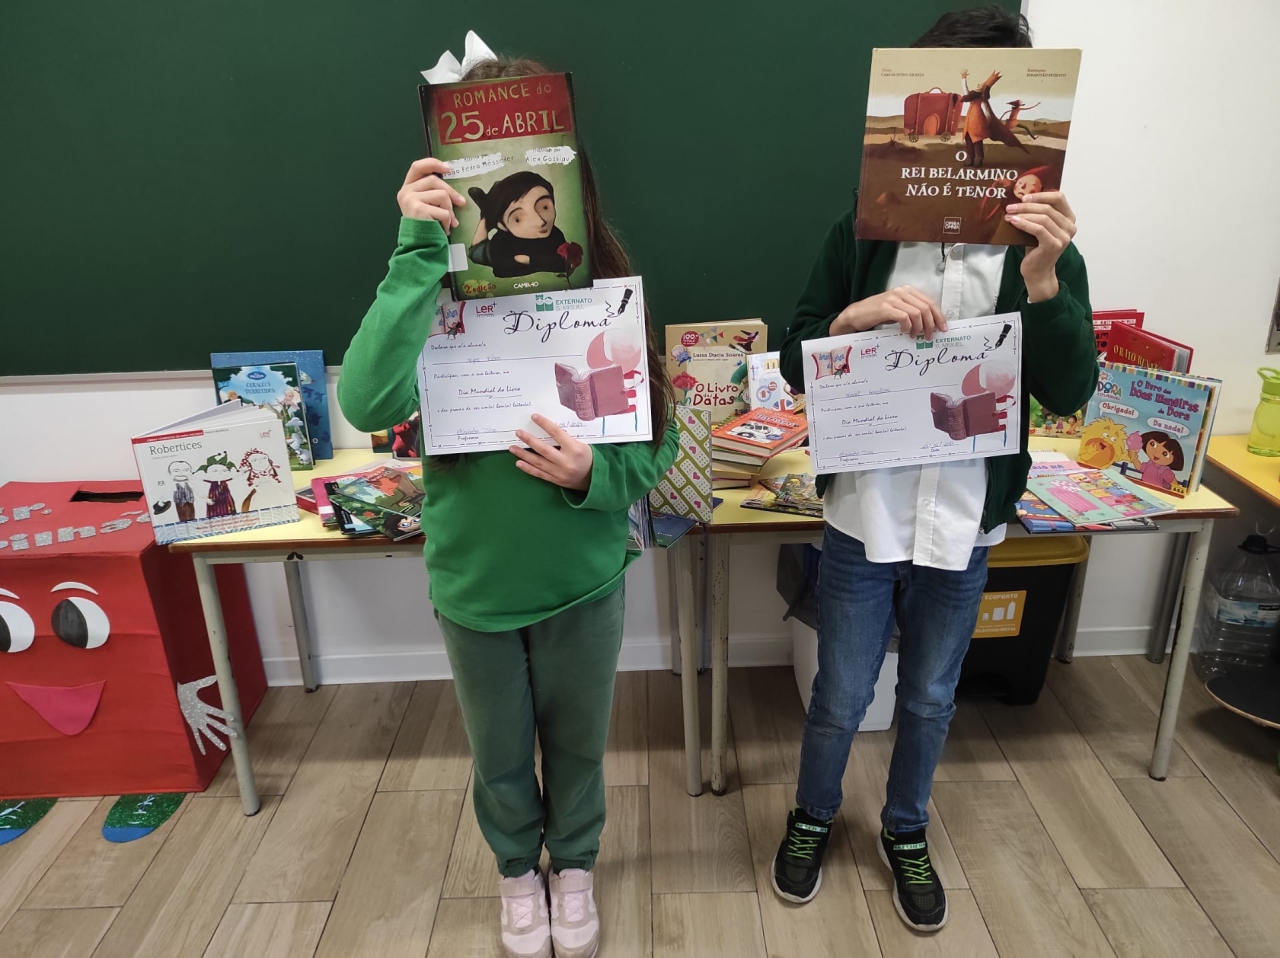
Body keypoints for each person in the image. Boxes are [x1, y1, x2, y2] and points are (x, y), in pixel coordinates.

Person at [338, 54, 677, 958]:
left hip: (583, 579)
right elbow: (367, 402)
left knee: (578, 746)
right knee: (497, 756)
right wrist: (416, 249)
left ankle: (575, 867)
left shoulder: (603, 292)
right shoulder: (432, 294)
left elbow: (659, 443)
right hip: (477, 586)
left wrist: (592, 475)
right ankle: (517, 874)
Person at [771, 5, 1098, 934]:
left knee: (928, 694)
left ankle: (905, 826)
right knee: (841, 692)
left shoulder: (1042, 249)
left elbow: (1069, 391)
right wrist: (854, 319)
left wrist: (1044, 286)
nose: (964, 128)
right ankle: (814, 813)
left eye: (983, 111)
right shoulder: (864, 231)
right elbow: (794, 359)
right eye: (947, 105)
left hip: (965, 515)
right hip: (865, 509)